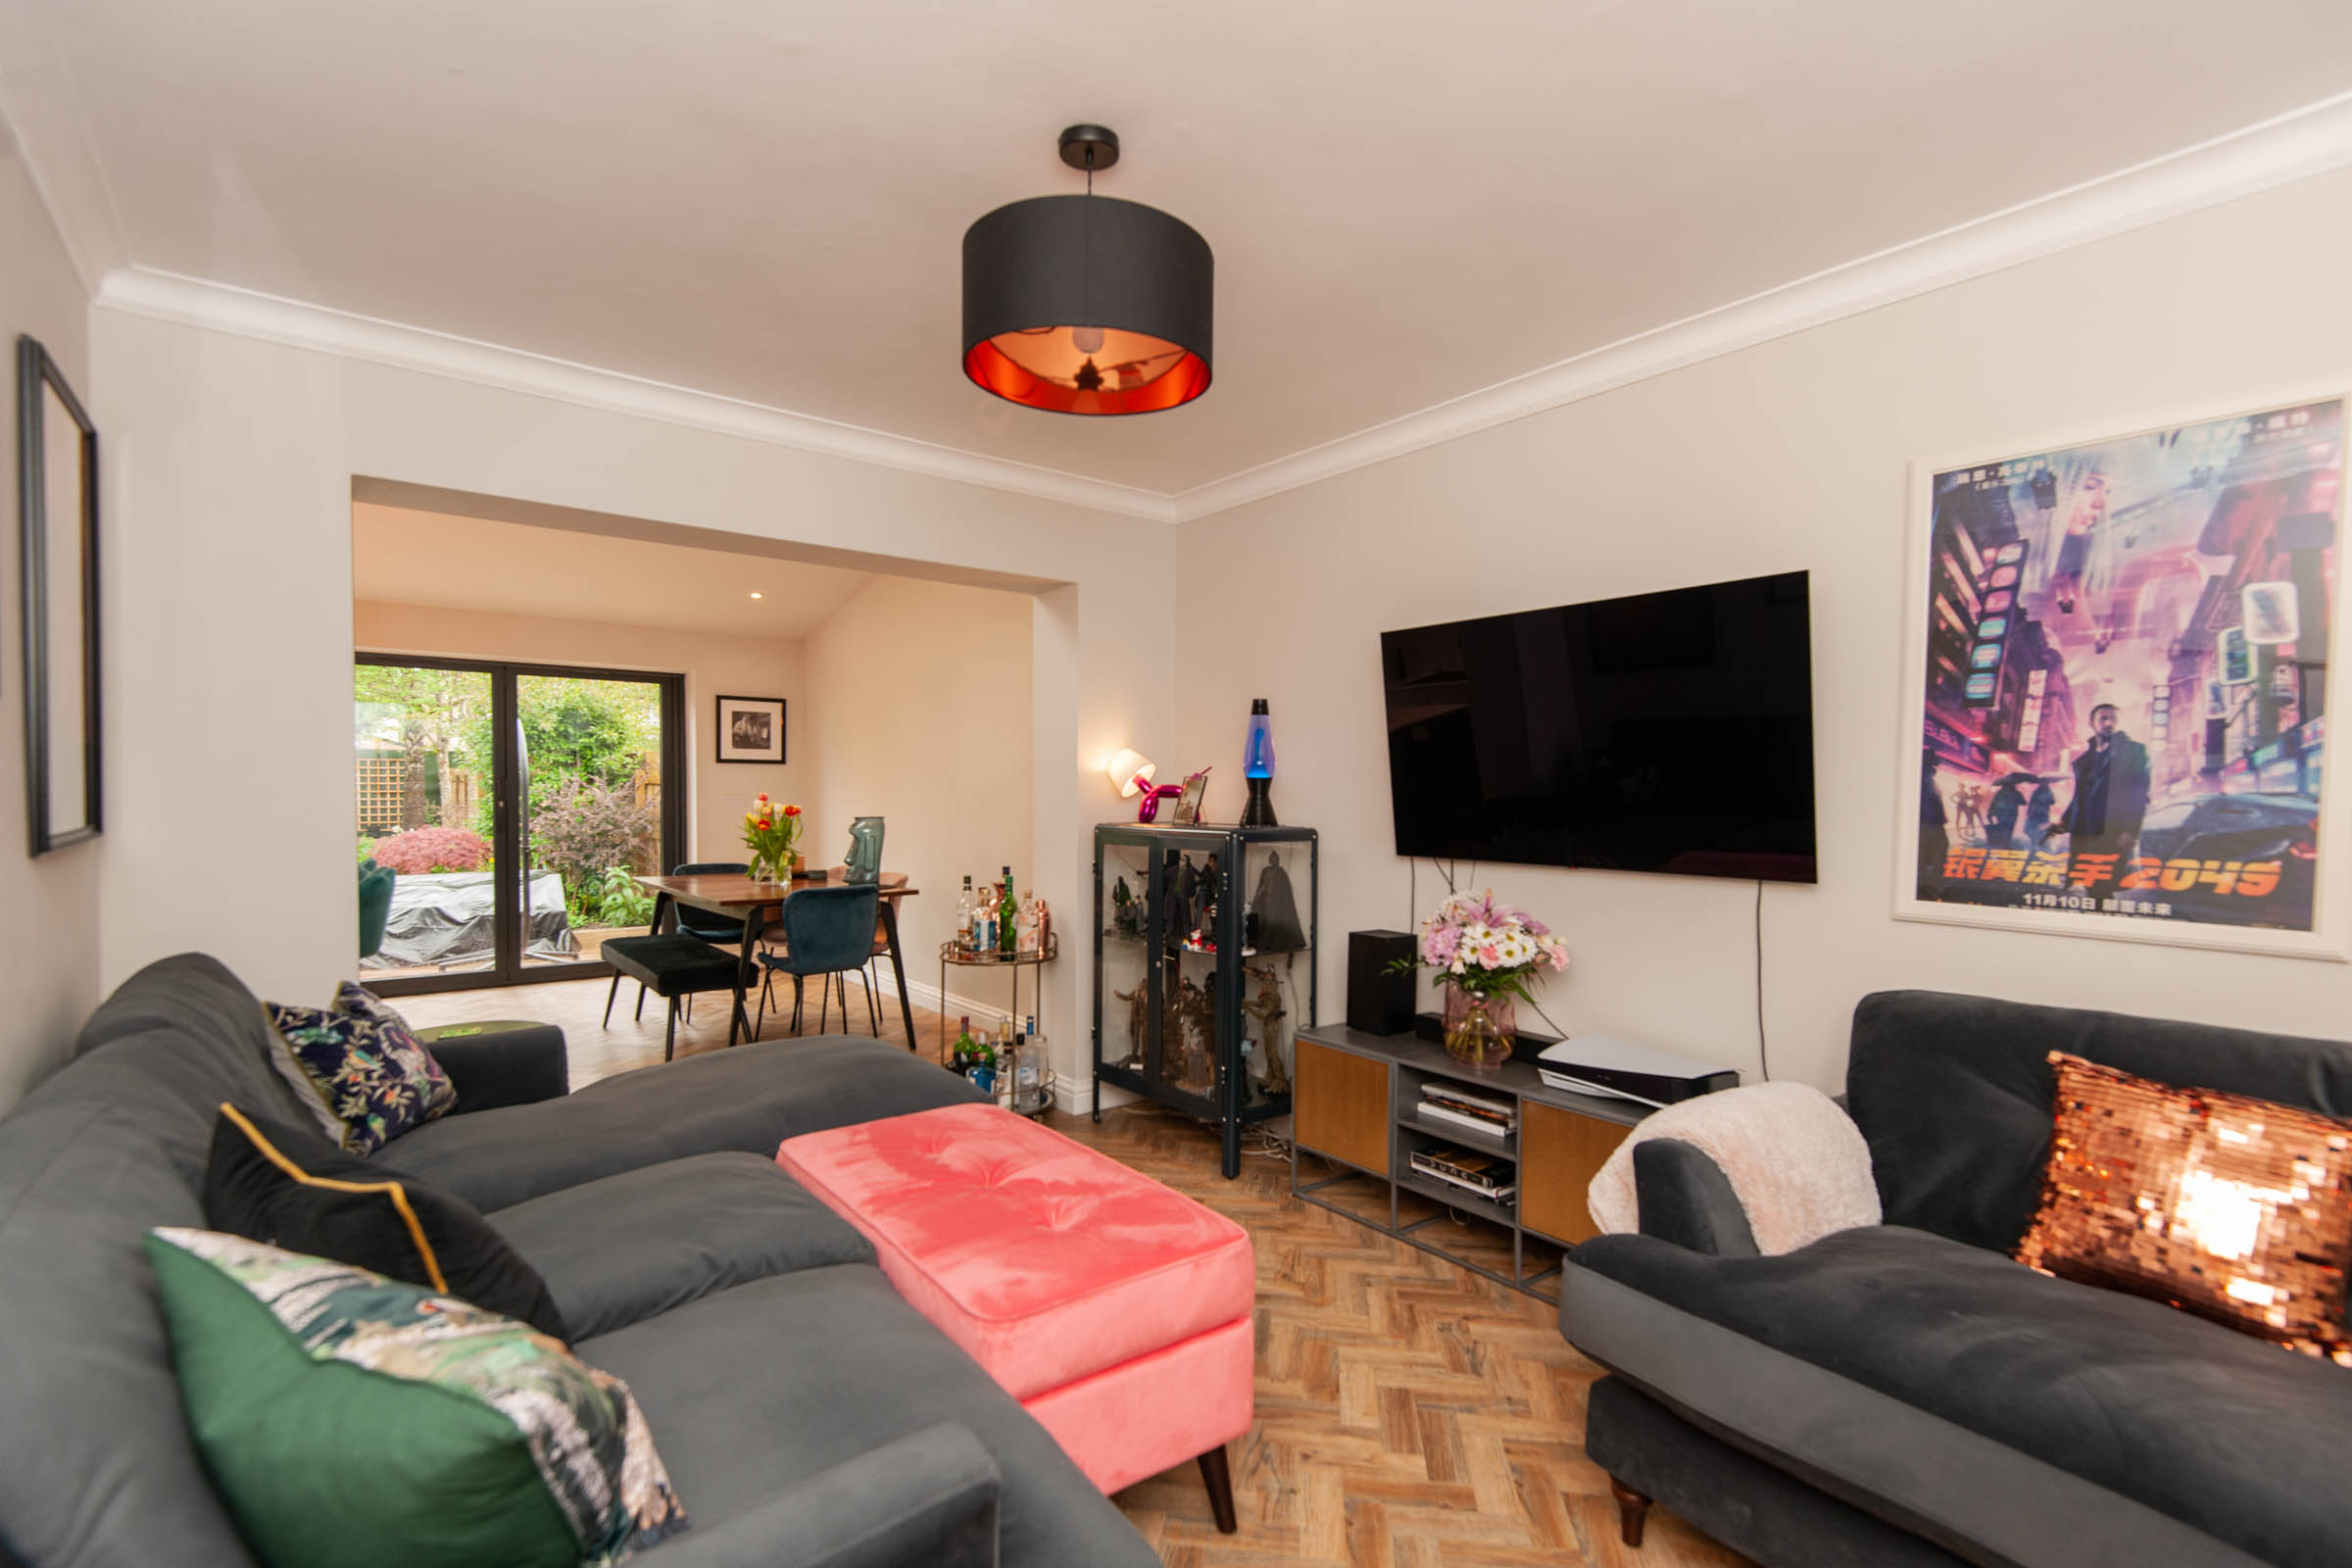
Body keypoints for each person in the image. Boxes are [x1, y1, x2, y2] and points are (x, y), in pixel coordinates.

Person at [2054, 705, 2149, 883]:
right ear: (2092, 723)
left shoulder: (2134, 752)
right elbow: (2080, 795)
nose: (2109, 723)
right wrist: (2064, 820)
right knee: (2087, 882)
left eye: (2113, 719)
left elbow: (2138, 794)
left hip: (2112, 830)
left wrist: (2130, 830)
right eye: (2103, 718)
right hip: (2083, 831)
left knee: (2103, 884)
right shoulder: (2085, 759)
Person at [1918, 752, 1948, 897]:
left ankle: (1928, 885)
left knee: (1929, 855)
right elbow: (1930, 802)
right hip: (1930, 824)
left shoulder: (1926, 777)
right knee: (1934, 854)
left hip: (1930, 823)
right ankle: (1930, 886)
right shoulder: (1924, 778)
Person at [1984, 776, 2024, 851]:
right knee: (2009, 829)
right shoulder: (2016, 793)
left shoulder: (2000, 793)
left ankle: (2004, 844)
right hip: (2012, 814)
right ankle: (2006, 844)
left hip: (2001, 814)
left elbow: (1993, 803)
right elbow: (2023, 802)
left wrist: (1990, 813)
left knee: (2003, 828)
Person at [2024, 779, 2055, 851]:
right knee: (2040, 830)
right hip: (2041, 814)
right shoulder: (2045, 792)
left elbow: (2031, 803)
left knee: (2039, 830)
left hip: (2039, 814)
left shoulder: (2038, 791)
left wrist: (2029, 812)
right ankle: (2038, 845)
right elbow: (2052, 802)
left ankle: (2037, 845)